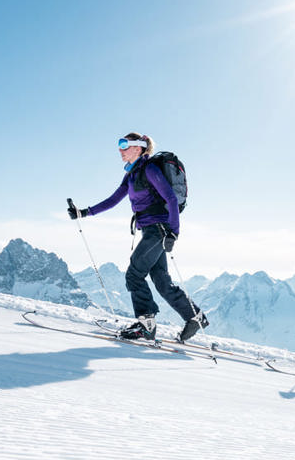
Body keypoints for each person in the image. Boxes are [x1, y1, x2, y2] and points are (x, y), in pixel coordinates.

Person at [67, 132, 209, 343]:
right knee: (162, 281)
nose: (120, 150)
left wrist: (174, 232)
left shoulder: (149, 169)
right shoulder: (132, 174)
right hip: (152, 229)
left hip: (158, 229)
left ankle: (146, 324)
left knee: (134, 275)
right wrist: (84, 212)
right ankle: (194, 317)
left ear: (138, 147)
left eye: (124, 145)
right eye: (119, 145)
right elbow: (114, 199)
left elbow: (170, 197)